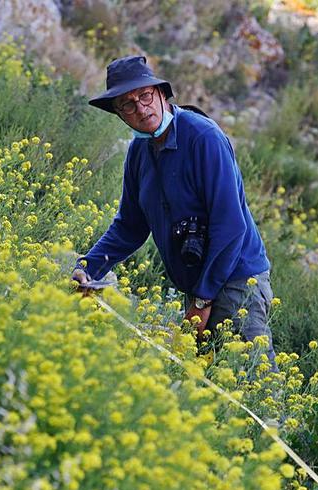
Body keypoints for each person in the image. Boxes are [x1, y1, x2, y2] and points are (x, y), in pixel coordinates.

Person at [72, 55, 277, 366]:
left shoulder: (203, 137)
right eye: (127, 105)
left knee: (250, 382)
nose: (141, 108)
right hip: (199, 287)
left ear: (162, 95)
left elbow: (230, 225)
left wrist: (202, 299)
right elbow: (130, 225)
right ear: (119, 114)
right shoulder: (139, 152)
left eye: (144, 96)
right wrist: (87, 268)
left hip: (237, 282)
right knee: (205, 383)